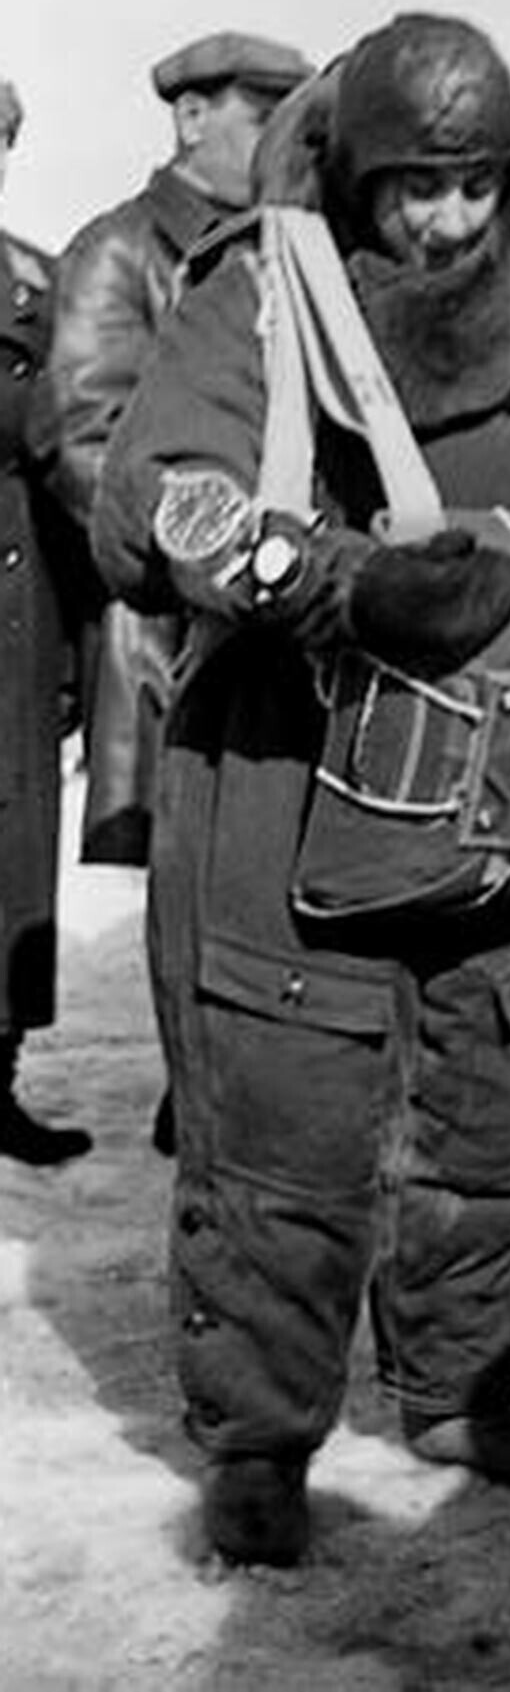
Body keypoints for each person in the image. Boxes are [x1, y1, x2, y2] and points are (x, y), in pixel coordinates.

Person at [92, 13, 510, 1569]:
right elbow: (158, 499)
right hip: (291, 777)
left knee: (487, 1106)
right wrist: (341, 582)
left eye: (471, 185)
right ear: (357, 175)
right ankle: (257, 1437)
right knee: (285, 1132)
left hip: (502, 786)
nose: (442, 219)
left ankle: (458, 1386)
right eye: (411, 187)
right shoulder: (262, 291)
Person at [44, 30, 313, 870]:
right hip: (165, 635)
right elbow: (84, 443)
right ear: (191, 117)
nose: (284, 141)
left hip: (271, 618)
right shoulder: (117, 249)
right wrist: (221, 548)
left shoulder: (289, 251)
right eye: (263, 117)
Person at [0, 78, 93, 1167]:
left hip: (20, 597)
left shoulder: (39, 275)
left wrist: (73, 646)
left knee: (16, 848)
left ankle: (1, 1076)